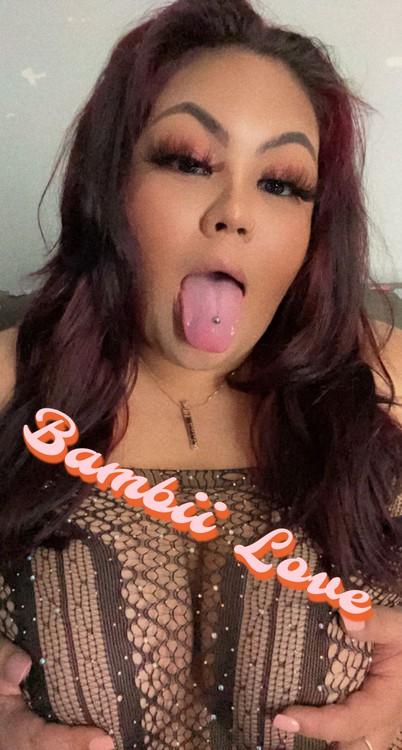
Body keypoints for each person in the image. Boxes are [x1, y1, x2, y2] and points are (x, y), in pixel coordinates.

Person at [0, 0, 402, 748]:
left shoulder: (384, 382)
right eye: (188, 162)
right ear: (110, 184)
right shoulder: (8, 387)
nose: (234, 212)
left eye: (282, 182)